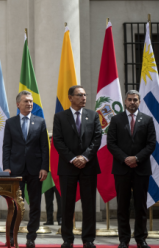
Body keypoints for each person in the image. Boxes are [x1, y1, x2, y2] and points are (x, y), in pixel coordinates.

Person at [53, 85, 102, 248]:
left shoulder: (93, 115)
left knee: (89, 205)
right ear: (70, 97)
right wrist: (73, 158)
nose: (84, 98)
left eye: (85, 94)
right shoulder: (60, 117)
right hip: (68, 167)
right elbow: (58, 141)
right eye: (80, 95)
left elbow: (97, 139)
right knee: (67, 204)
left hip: (88, 166)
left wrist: (85, 157)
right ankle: (68, 239)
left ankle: (88, 239)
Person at [107, 90, 156, 248]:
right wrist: (125, 158)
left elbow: (151, 144)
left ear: (139, 102)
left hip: (141, 169)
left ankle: (141, 239)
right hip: (122, 169)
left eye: (135, 100)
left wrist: (137, 158)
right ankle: (124, 239)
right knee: (122, 206)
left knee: (141, 206)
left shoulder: (148, 120)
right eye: (130, 99)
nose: (132, 102)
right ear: (125, 102)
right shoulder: (116, 119)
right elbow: (111, 143)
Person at [3, 91, 49, 248]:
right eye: (26, 101)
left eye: (31, 101)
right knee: (15, 205)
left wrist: (44, 168)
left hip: (36, 170)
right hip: (15, 170)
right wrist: (6, 167)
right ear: (18, 104)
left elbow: (45, 147)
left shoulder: (40, 122)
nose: (30, 104)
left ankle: (31, 237)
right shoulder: (10, 123)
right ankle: (11, 236)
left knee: (35, 204)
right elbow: (7, 147)